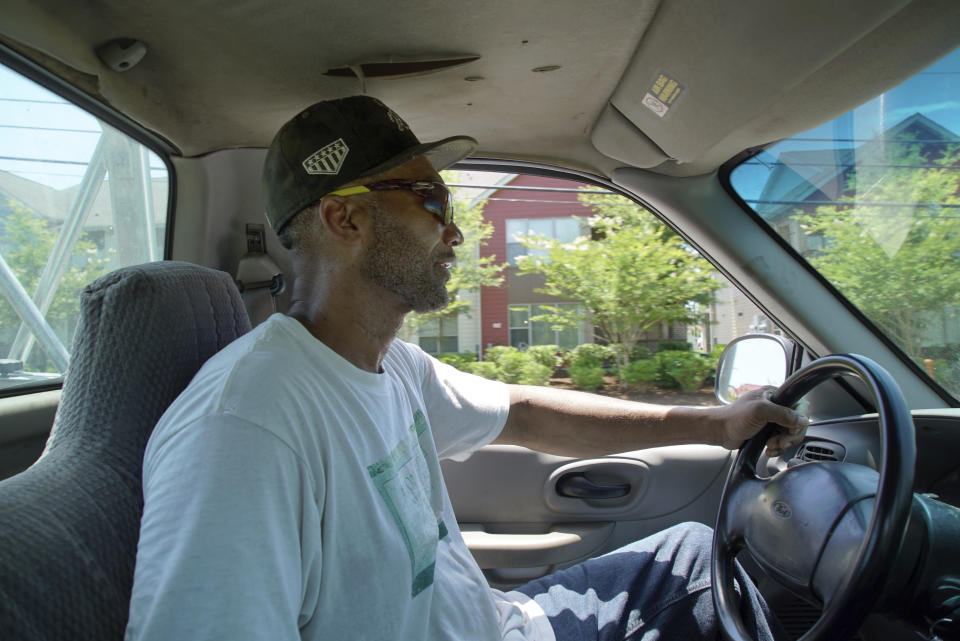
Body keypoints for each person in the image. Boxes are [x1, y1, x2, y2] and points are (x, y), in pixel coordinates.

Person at [125, 95, 807, 641]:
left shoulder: (392, 366)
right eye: (428, 199)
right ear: (343, 217)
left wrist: (719, 424)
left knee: (694, 553)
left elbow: (528, 412)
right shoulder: (245, 427)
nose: (454, 230)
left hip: (504, 622)